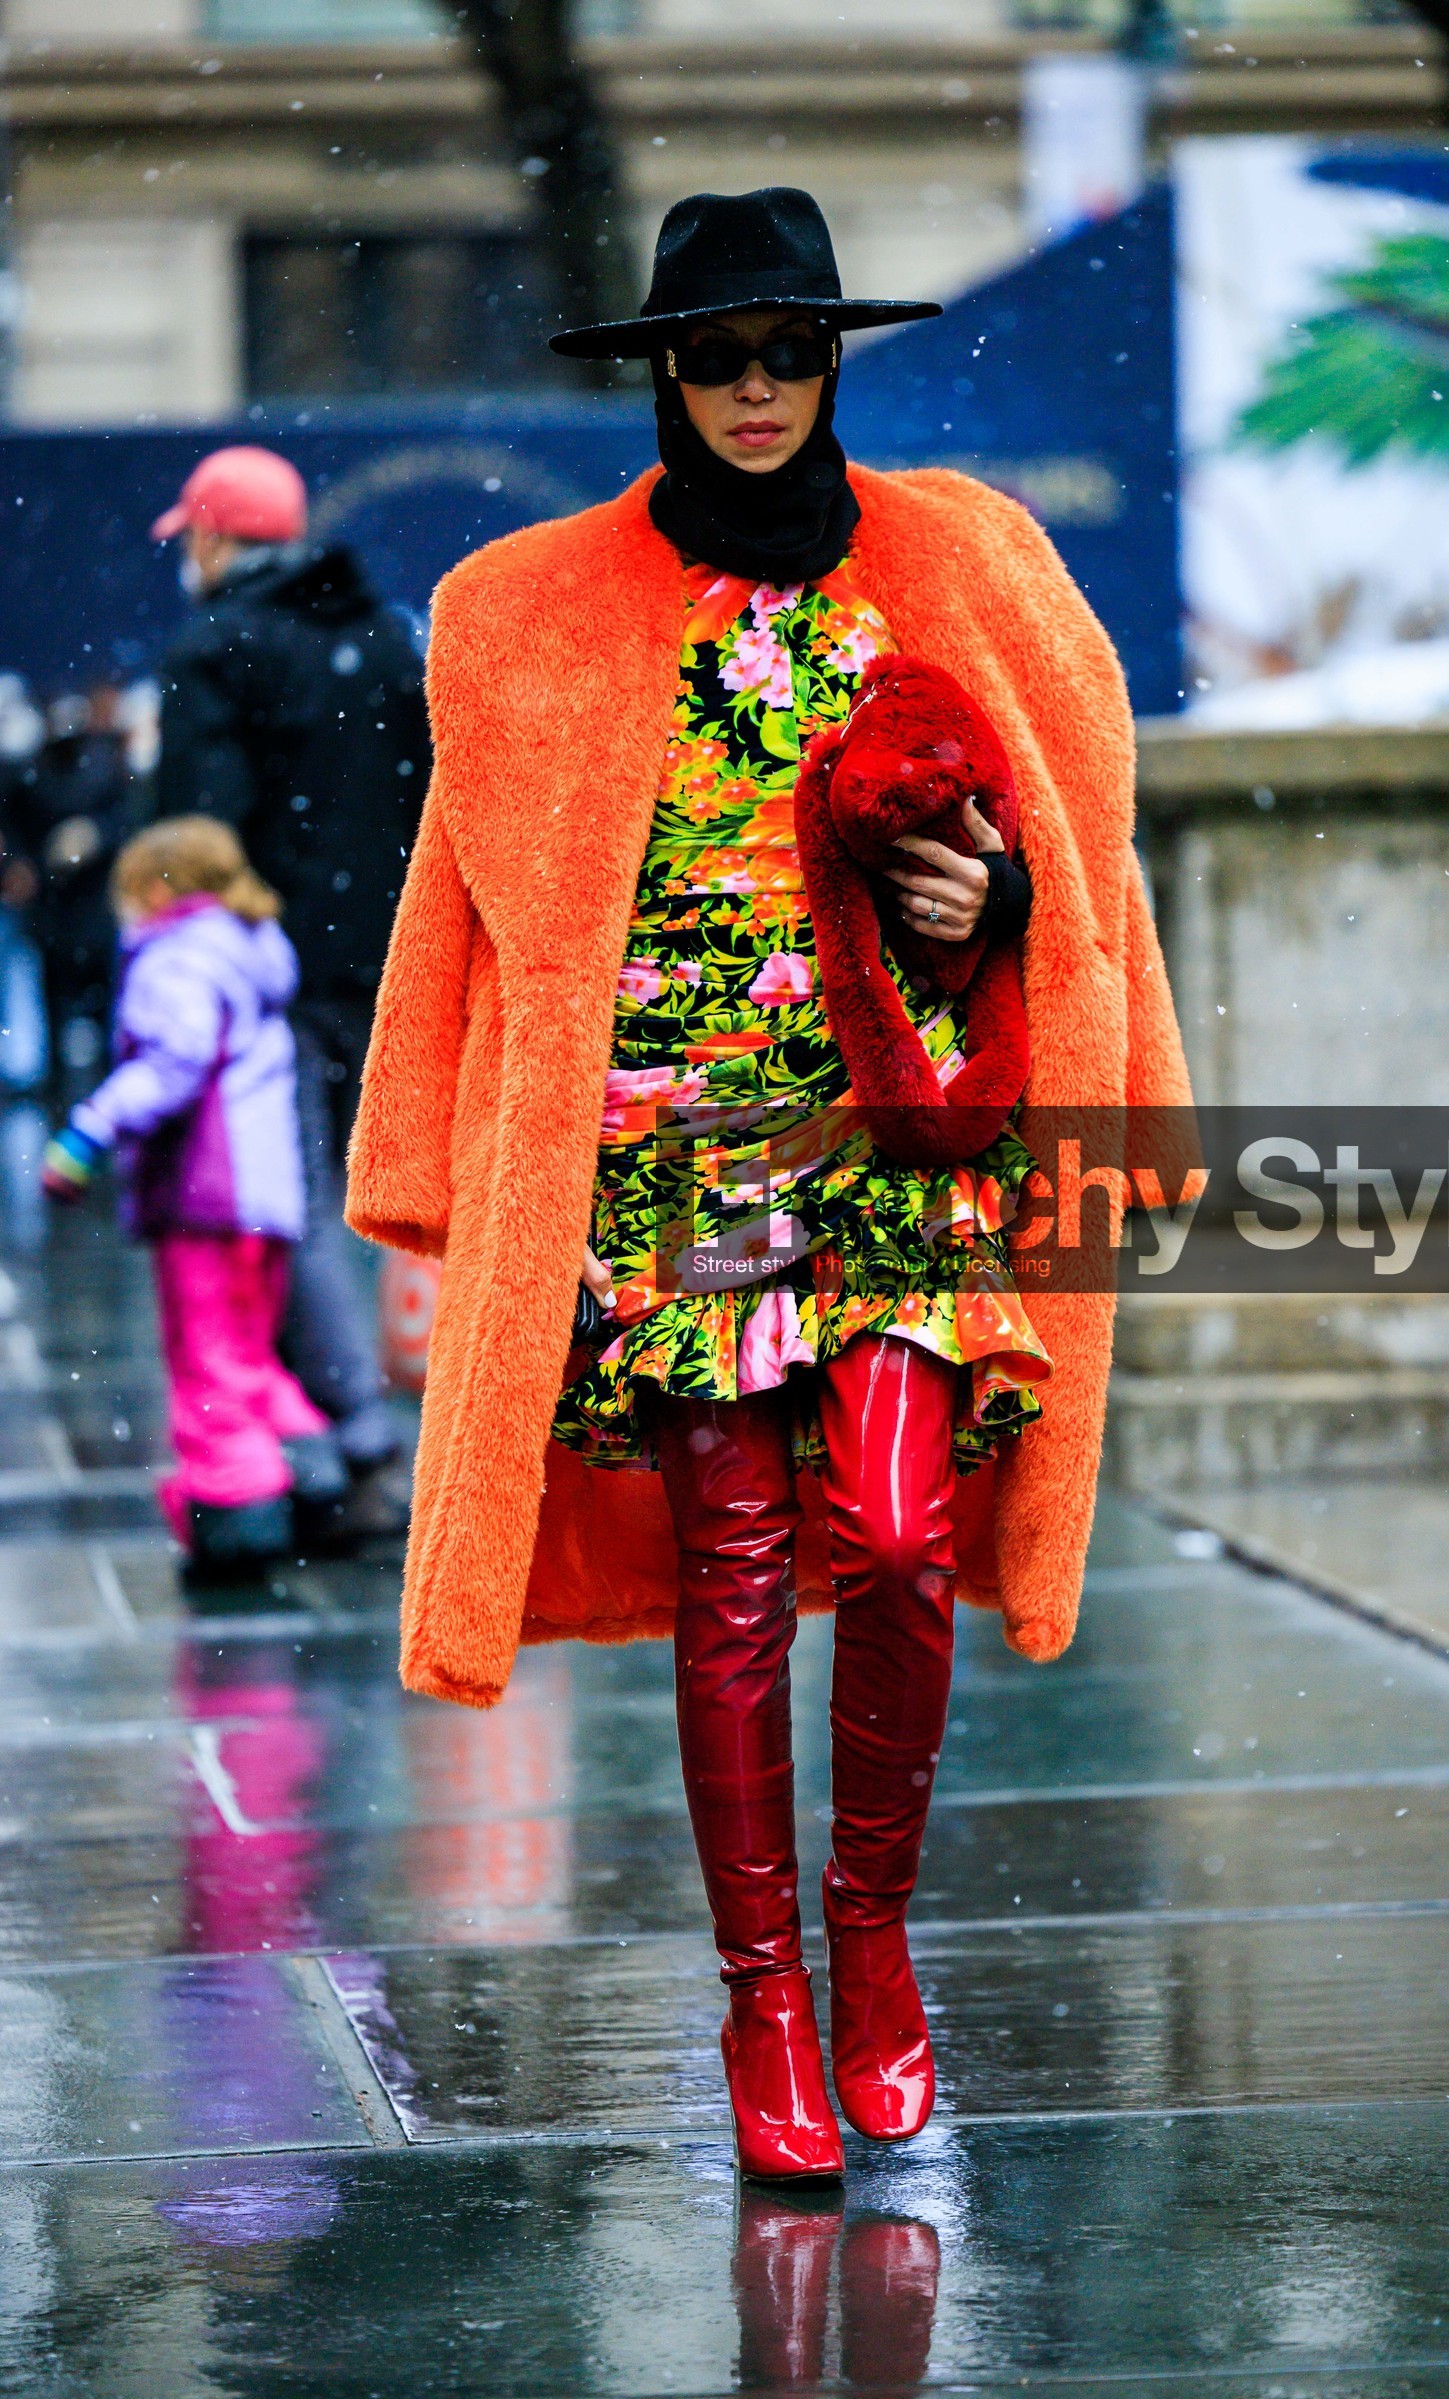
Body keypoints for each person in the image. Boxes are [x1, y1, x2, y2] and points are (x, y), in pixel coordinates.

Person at [347, 189, 1191, 2180]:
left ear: (830, 362)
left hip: (894, 1130)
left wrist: (992, 904)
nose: (748, 388)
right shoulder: (522, 606)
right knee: (733, 1572)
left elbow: (1075, 842)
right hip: (678, 1154)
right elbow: (463, 910)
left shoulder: (963, 555)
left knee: (893, 1534)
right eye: (713, 353)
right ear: (658, 367)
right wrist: (442, 1159)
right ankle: (764, 1998)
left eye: (783, 352)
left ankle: (873, 1940)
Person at [149, 445, 430, 1533]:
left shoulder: (215, 648)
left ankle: (353, 1441)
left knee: (285, 1198)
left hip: (266, 972)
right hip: (384, 961)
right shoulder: (375, 634)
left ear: (215, 537)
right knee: (372, 1195)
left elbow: (191, 838)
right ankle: (401, 1432)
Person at [41, 818, 336, 1574]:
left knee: (207, 1363)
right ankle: (316, 1471)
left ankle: (239, 1521)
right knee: (246, 1353)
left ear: (156, 887)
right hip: (262, 1200)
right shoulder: (250, 949)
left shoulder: (178, 958)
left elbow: (175, 1059)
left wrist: (87, 1130)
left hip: (204, 1195)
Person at [8, 683, 136, 1075]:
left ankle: (103, 1085)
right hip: (51, 908)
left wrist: (94, 834)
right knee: (53, 1004)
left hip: (95, 906)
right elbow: (13, 827)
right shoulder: (29, 772)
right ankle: (56, 1091)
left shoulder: (106, 765)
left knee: (102, 1004)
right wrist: (20, 862)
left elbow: (129, 817)